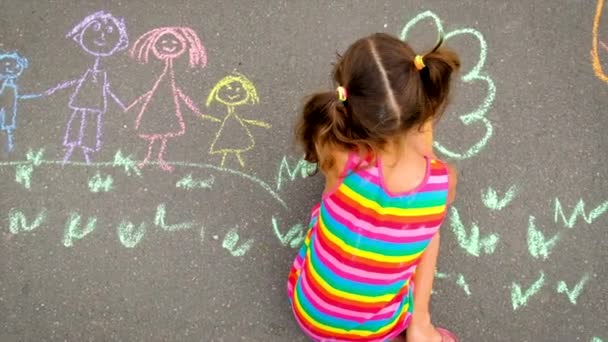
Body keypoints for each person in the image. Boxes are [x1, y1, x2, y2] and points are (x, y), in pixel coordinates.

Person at [287, 33, 460, 342]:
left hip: (309, 309)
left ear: (347, 103)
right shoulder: (441, 182)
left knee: (328, 218)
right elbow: (424, 151)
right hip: (372, 329)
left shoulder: (338, 157)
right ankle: (419, 324)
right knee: (428, 235)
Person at [127, 26, 220, 172]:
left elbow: (177, 93)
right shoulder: (163, 74)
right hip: (158, 105)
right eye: (164, 41)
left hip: (167, 106)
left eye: (174, 42)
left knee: (162, 134)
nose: (169, 44)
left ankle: (157, 159)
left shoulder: (168, 74)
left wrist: (196, 111)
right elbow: (152, 93)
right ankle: (149, 158)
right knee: (156, 133)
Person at [45, 11, 129, 164]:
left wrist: (121, 103)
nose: (102, 36)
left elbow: (107, 90)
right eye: (96, 28)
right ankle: (72, 152)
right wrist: (56, 88)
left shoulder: (101, 73)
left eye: (109, 32)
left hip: (94, 104)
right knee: (77, 122)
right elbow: (77, 81)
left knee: (90, 126)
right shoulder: (91, 71)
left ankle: (85, 154)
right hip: (83, 100)